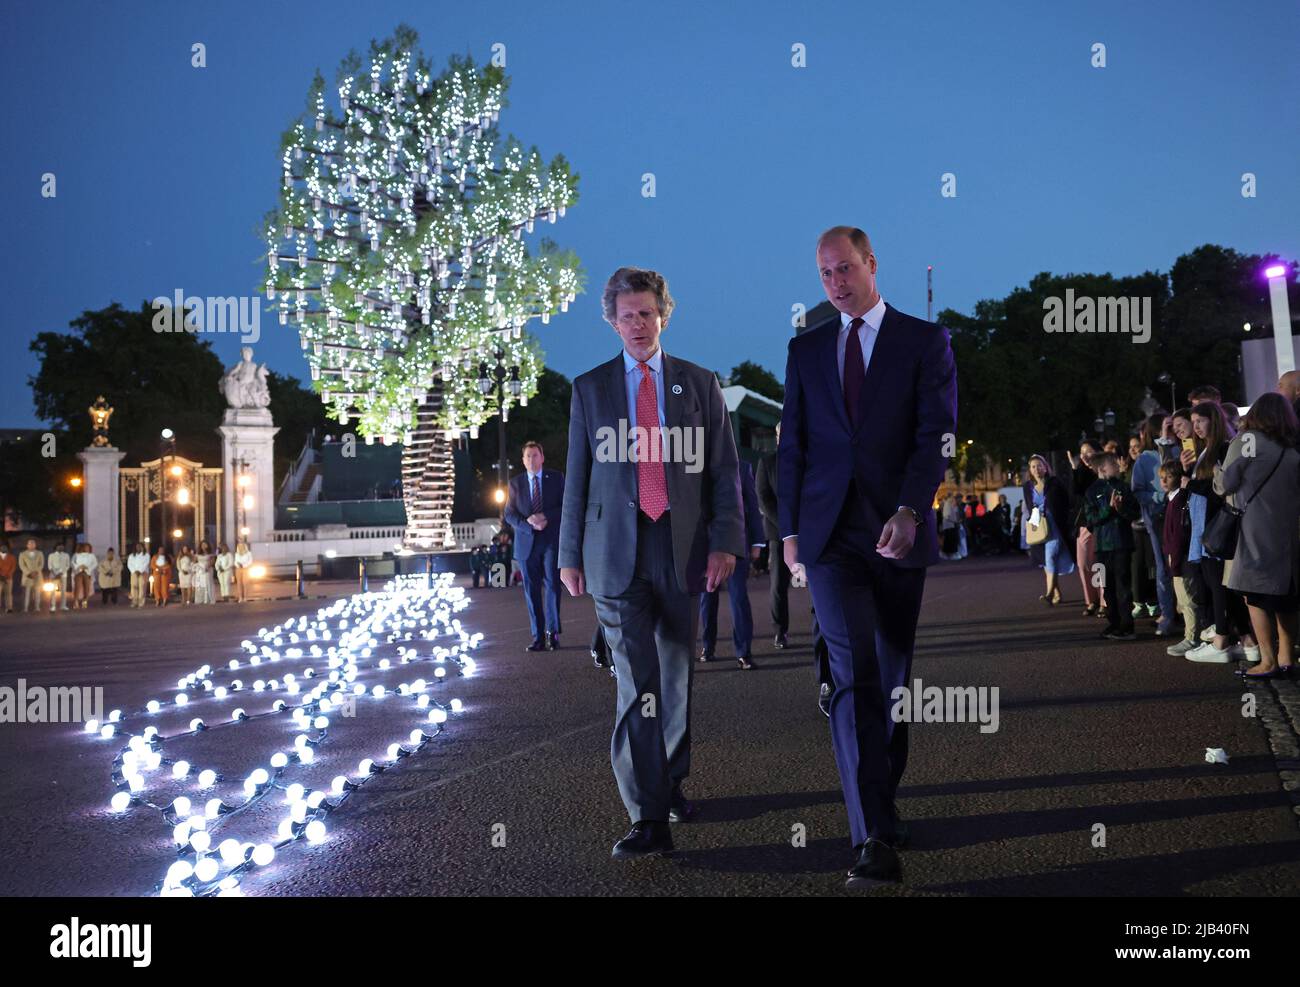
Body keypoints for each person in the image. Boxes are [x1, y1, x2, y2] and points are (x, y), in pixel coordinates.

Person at [779, 226, 957, 888]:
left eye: (845, 268)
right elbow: (792, 445)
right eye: (824, 273)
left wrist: (912, 509)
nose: (835, 282)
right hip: (829, 538)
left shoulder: (923, 341)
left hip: (897, 529)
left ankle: (884, 797)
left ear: (872, 265)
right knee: (853, 674)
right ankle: (871, 834)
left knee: (891, 678)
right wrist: (791, 530)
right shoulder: (805, 349)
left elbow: (936, 434)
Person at [559, 265, 744, 859]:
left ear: (664, 315)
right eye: (626, 315)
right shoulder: (589, 389)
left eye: (647, 313)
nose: (637, 324)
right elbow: (577, 480)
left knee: (675, 675)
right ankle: (647, 815)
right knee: (635, 681)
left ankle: (671, 783)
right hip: (615, 552)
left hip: (682, 548)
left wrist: (726, 542)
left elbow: (724, 470)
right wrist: (568, 554)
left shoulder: (699, 382)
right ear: (610, 322)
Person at [1215, 394, 1300, 678]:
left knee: (1256, 596)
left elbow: (1226, 484)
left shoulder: (1246, 442)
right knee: (1286, 596)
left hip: (1253, 529)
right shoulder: (1291, 450)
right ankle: (1288, 657)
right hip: (1287, 531)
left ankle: (1268, 661)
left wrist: (1216, 470)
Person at [1183, 401, 1257, 663]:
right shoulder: (1206, 450)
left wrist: (1190, 484)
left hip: (1216, 524)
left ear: (1212, 420)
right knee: (1221, 583)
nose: (1195, 428)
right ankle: (1248, 640)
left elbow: (1222, 488)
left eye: (1199, 421)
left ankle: (1222, 639)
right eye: (1193, 423)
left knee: (1219, 583)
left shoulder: (1225, 447)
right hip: (1206, 524)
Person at [699, 459, 766, 668]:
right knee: (706, 599)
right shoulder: (694, 464)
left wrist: (757, 542)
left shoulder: (743, 467)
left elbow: (753, 507)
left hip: (736, 545)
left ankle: (744, 652)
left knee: (739, 599)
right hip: (704, 545)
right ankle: (707, 647)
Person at [504, 441, 565, 651]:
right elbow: (509, 514)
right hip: (526, 542)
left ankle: (552, 633)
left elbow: (566, 505)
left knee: (553, 587)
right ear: (523, 460)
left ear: (542, 457)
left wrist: (545, 516)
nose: (531, 460)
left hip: (550, 541)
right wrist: (528, 523)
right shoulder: (515, 484)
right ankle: (538, 636)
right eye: (528, 456)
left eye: (535, 455)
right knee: (531, 590)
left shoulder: (556, 479)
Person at [1082, 452, 1141, 640]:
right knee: (1106, 587)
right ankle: (1113, 623)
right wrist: (1108, 508)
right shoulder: (1091, 491)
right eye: (1113, 463)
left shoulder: (1123, 487)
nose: (1118, 465)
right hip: (1101, 547)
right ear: (1102, 469)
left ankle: (1127, 626)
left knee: (1123, 586)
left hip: (1122, 544)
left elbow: (1134, 513)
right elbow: (1090, 519)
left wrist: (1121, 508)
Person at [1130, 415, 1177, 635]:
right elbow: (1137, 491)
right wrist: (1160, 497)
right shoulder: (1145, 458)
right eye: (1168, 425)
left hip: (1183, 515)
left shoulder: (1181, 449)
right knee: (1163, 567)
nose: (1173, 429)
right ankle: (1167, 614)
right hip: (1157, 518)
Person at [1159, 460, 1200, 656]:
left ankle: (1192, 637)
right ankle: (1191, 635)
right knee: (1183, 599)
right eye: (1162, 477)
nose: (1164, 480)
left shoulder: (1179, 501)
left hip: (1180, 558)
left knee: (1187, 598)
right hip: (1175, 557)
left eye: (1169, 476)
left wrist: (1174, 561)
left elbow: (1178, 536)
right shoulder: (1172, 499)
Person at [1022, 454, 1074, 604]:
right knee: (1045, 562)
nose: (1036, 469)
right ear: (1030, 471)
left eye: (1039, 466)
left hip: (1055, 525)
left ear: (1046, 467)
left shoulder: (1055, 483)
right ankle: (1057, 593)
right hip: (1038, 526)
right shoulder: (1027, 487)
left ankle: (1049, 594)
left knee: (1050, 557)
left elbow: (1066, 502)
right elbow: (1030, 507)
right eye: (1033, 467)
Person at [756, 423, 791, 648]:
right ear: (777, 437)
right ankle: (780, 631)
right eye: (780, 434)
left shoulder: (807, 460)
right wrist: (788, 528)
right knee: (778, 584)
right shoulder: (767, 463)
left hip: (810, 531)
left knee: (820, 581)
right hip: (778, 534)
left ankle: (826, 629)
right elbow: (764, 499)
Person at [1067, 442, 1102, 616]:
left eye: (1089, 452)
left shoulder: (1101, 471)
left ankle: (1104, 601)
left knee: (1096, 563)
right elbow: (1075, 492)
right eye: (1082, 453)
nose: (1085, 455)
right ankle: (1091, 600)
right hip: (1082, 524)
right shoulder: (1081, 472)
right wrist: (1074, 468)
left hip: (1097, 523)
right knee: (1082, 564)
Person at [19, 539, 44, 613]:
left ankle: (37, 608)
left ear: (35, 545)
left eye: (33, 543)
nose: (32, 545)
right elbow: (22, 565)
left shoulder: (40, 553)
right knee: (26, 593)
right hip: (27, 576)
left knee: (37, 593)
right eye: (30, 544)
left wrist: (36, 572)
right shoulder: (22, 554)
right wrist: (29, 573)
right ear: (27, 545)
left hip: (37, 575)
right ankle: (25, 608)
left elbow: (41, 564)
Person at [72, 542, 97, 609]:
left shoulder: (91, 555)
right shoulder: (76, 555)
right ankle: (76, 601)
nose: (87, 548)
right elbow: (72, 563)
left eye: (88, 547)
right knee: (77, 587)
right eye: (86, 547)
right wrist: (79, 566)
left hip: (87, 572)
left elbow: (95, 563)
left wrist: (88, 567)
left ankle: (85, 601)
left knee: (87, 588)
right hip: (78, 572)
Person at [47, 542, 71, 612]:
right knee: (53, 591)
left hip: (63, 575)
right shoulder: (51, 555)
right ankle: (53, 606)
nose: (61, 548)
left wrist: (61, 572)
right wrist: (55, 572)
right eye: (59, 546)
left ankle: (63, 605)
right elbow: (49, 566)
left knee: (63, 591)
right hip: (53, 575)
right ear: (56, 547)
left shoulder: (66, 555)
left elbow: (68, 565)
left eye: (62, 546)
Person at [126, 543, 150, 608]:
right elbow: (129, 564)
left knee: (142, 587)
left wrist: (140, 571)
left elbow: (146, 563)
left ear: (143, 547)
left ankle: (141, 603)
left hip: (143, 572)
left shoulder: (146, 555)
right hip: (134, 573)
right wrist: (134, 571)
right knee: (134, 587)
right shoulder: (131, 555)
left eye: (140, 546)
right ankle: (134, 602)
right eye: (137, 546)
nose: (138, 548)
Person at [192, 541, 214, 605]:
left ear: (207, 545)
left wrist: (208, 567)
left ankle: (207, 599)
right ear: (200, 546)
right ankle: (200, 599)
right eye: (202, 545)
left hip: (207, 570)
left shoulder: (210, 553)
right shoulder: (197, 554)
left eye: (205, 544)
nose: (204, 546)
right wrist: (195, 568)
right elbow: (194, 561)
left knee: (207, 583)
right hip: (199, 571)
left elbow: (212, 561)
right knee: (200, 584)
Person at [0, 542, 15, 614]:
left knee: (8, 593)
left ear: (8, 549)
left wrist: (7, 575)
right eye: (2, 547)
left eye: (5, 547)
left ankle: (9, 608)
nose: (4, 548)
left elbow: (13, 567)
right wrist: (1, 575)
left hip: (8, 578)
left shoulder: (11, 557)